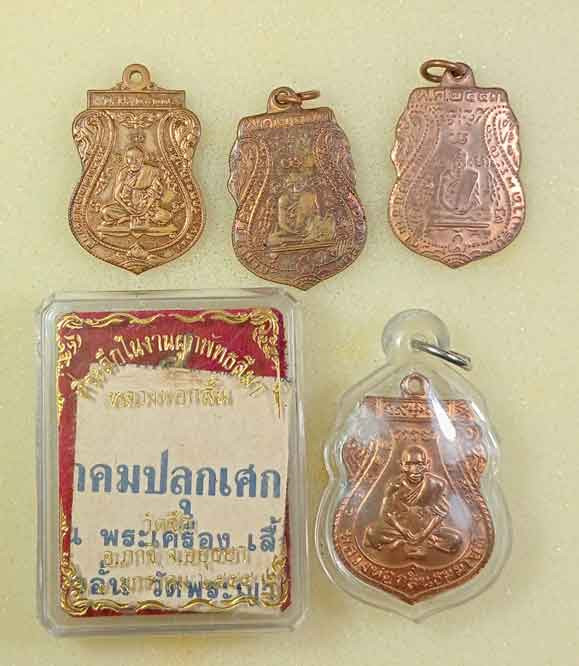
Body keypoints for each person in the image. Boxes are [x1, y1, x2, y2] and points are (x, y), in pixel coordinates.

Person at [365, 444, 462, 558]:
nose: (414, 470)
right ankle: (421, 544)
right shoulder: (394, 485)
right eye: (409, 464)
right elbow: (385, 514)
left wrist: (423, 534)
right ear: (402, 465)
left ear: (427, 465)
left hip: (428, 530)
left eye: (419, 464)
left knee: (456, 539)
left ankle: (408, 544)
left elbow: (440, 514)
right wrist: (403, 531)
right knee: (372, 532)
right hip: (401, 530)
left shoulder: (437, 484)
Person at [100, 146, 172, 228]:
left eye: (138, 157)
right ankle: (133, 217)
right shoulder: (123, 172)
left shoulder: (152, 171)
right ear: (126, 159)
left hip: (147, 208)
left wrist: (145, 209)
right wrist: (127, 208)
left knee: (166, 216)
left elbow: (154, 194)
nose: (134, 161)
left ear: (143, 158)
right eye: (130, 158)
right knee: (105, 212)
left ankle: (128, 218)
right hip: (126, 208)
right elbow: (116, 195)